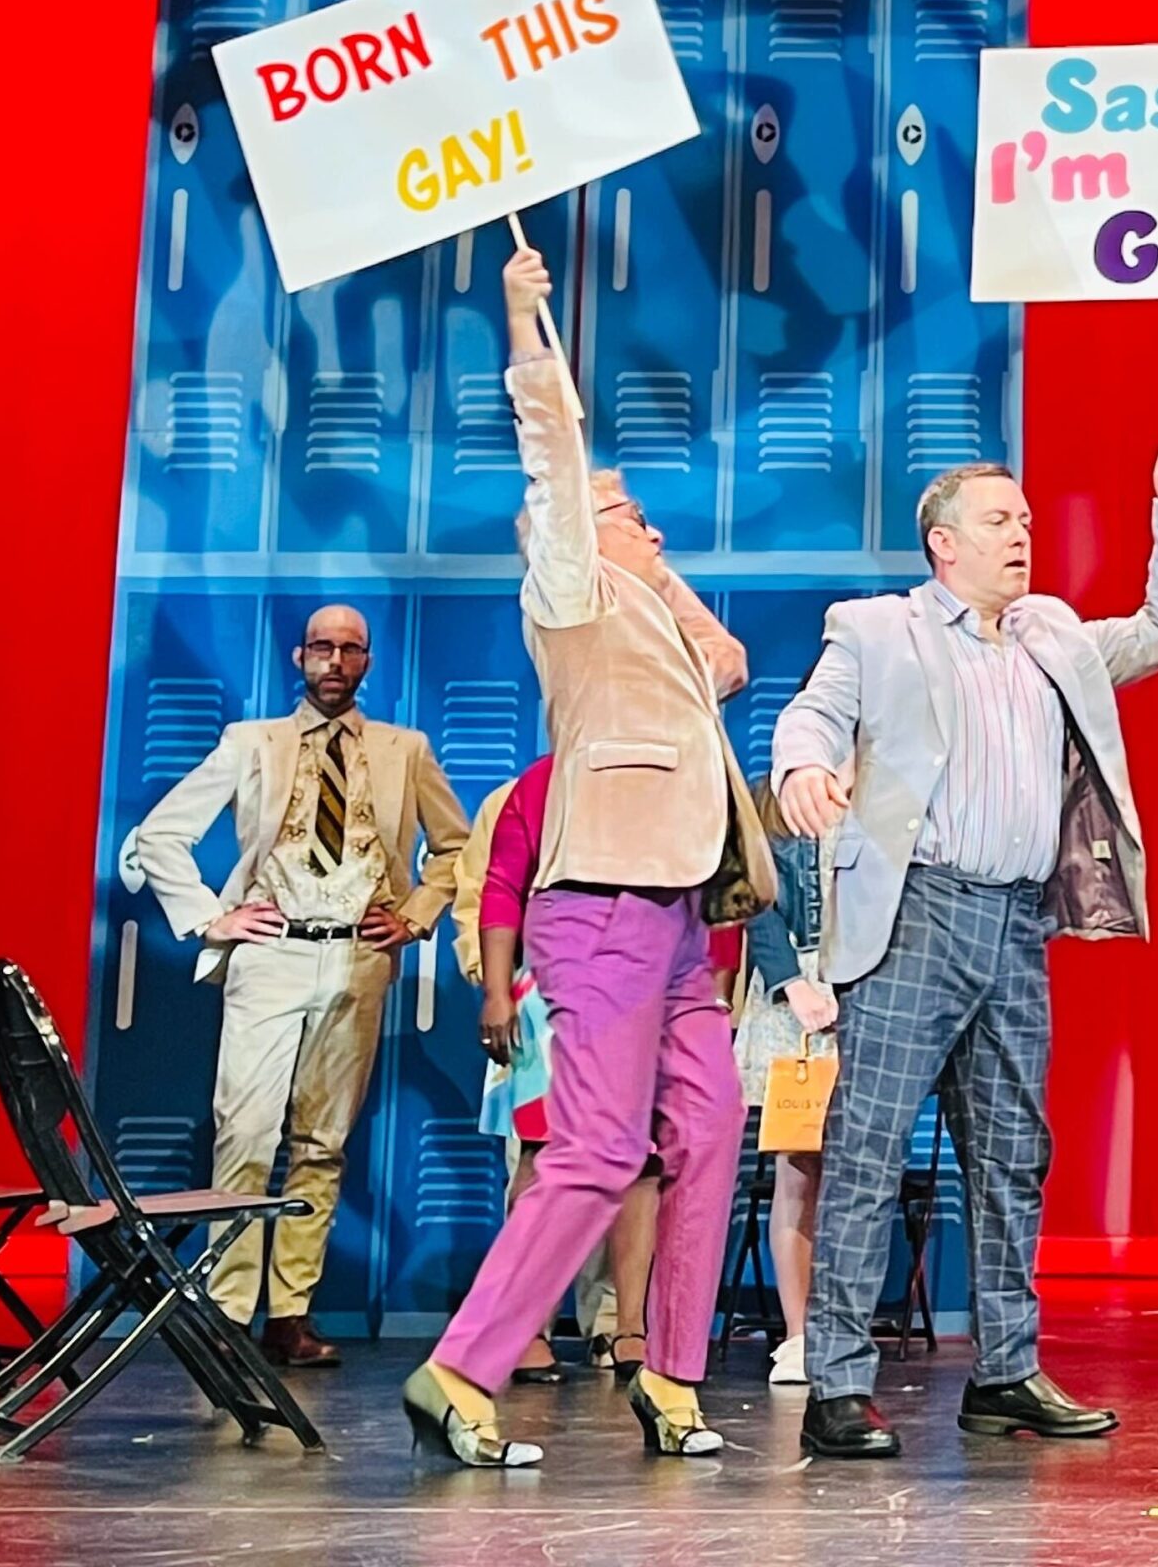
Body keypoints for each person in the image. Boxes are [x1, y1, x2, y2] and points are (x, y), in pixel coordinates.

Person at [402, 243, 773, 1468]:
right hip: (599, 904)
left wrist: (662, 572)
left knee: (713, 1127)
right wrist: (526, 324)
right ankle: (461, 1370)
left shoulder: (655, 605)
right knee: (602, 1146)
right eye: (630, 515)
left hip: (672, 912)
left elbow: (730, 667)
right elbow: (555, 464)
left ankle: (668, 1376)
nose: (647, 522)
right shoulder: (568, 587)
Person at [772, 444, 1158, 1460]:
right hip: (915, 915)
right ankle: (839, 1380)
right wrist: (801, 768)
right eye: (1000, 521)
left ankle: (1006, 1370)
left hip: (1016, 923)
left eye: (1024, 518)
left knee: (1014, 1155)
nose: (1023, 534)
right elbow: (813, 714)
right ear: (944, 544)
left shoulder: (1049, 633)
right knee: (870, 1151)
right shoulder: (878, 629)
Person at [128, 603, 468, 1368]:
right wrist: (211, 917)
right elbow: (159, 835)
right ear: (299, 655)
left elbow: (456, 847)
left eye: (351, 649)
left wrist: (415, 916)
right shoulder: (253, 743)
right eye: (323, 648)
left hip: (357, 957)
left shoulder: (403, 749)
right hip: (273, 954)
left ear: (369, 662)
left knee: (323, 1143)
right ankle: (226, 1307)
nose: (336, 662)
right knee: (246, 1132)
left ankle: (289, 1312)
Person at [451, 757, 754, 1384]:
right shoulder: (542, 782)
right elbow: (501, 884)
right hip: (549, 991)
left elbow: (717, 905)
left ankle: (629, 1327)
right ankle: (524, 1329)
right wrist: (498, 990)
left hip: (655, 994)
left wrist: (715, 1004)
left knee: (642, 1163)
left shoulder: (681, 780)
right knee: (543, 1155)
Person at [742, 765, 845, 1388]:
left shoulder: (887, 796)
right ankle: (800, 1334)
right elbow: (754, 902)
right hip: (795, 1006)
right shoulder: (770, 799)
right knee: (798, 1174)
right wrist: (793, 983)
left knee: (857, 1176)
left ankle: (842, 1331)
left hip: (866, 994)